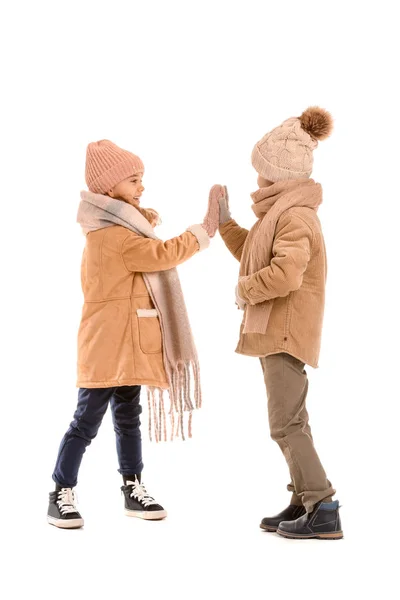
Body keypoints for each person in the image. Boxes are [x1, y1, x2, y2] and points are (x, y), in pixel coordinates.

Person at [47, 139, 220, 529]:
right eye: (134, 179)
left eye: (142, 179)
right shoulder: (114, 237)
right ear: (109, 189)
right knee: (85, 422)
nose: (142, 186)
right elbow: (163, 255)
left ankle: (132, 486)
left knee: (128, 418)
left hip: (128, 346)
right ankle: (60, 491)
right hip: (108, 348)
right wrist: (203, 230)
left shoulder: (123, 229)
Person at [207, 107, 343, 540]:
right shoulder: (280, 213)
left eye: (262, 175)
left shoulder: (295, 215)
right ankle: (304, 497)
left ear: (278, 177)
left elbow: (285, 274)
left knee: (285, 423)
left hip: (285, 332)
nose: (257, 183)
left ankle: (322, 504)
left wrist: (243, 291)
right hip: (276, 331)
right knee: (291, 420)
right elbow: (254, 252)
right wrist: (225, 223)